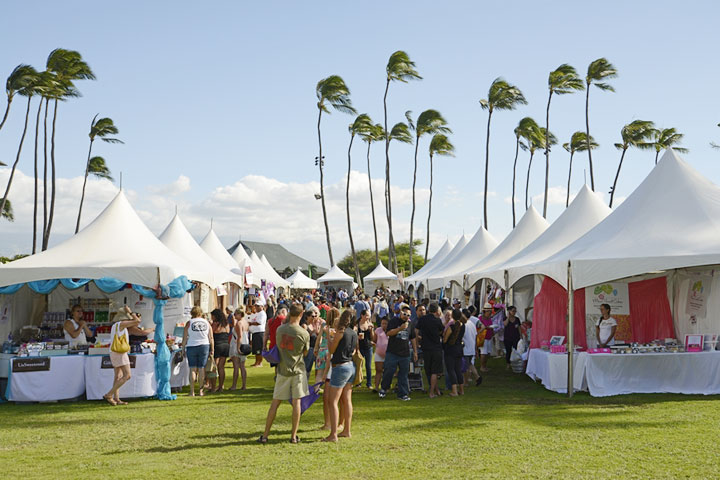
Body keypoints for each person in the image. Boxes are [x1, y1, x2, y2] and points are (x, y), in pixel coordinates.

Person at [259, 303, 310, 444]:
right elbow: (305, 352)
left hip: (282, 370)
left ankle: (265, 435)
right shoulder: (303, 333)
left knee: (275, 403)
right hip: (297, 370)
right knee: (296, 402)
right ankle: (293, 436)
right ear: (301, 314)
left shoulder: (280, 330)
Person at [322, 308, 358, 442]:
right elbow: (354, 350)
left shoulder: (340, 332)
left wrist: (328, 335)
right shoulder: (353, 333)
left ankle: (333, 434)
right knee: (347, 400)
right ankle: (346, 431)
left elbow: (331, 350)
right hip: (350, 366)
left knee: (333, 401)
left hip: (340, 367)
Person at [103, 305, 141, 405]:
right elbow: (137, 321)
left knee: (118, 376)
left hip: (114, 351)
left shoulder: (115, 325)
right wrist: (131, 312)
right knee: (127, 375)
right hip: (120, 352)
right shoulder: (122, 324)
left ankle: (117, 399)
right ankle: (109, 395)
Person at [379, 305, 417, 401]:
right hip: (393, 352)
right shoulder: (394, 321)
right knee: (389, 371)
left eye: (408, 315)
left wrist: (415, 351)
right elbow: (388, 333)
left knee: (403, 374)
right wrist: (400, 329)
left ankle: (403, 393)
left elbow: (412, 338)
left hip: (405, 353)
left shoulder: (410, 324)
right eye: (404, 314)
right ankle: (384, 388)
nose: (406, 316)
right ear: (400, 313)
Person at [182, 306, 214, 397]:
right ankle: (200, 391)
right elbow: (211, 337)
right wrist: (212, 349)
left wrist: (183, 349)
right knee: (201, 369)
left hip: (192, 345)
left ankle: (192, 391)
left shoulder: (189, 323)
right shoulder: (207, 323)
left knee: (192, 369)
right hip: (204, 345)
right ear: (201, 313)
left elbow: (185, 338)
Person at [317, 307, 340, 429]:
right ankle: (340, 424)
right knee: (341, 398)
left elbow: (331, 350)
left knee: (329, 397)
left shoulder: (331, 330)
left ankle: (329, 424)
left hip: (332, 361)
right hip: (340, 363)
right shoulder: (344, 331)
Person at [415, 302, 444, 398]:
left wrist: (417, 341)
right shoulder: (437, 320)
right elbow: (441, 331)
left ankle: (436, 391)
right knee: (434, 371)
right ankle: (432, 392)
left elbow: (416, 330)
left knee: (429, 370)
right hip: (436, 347)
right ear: (436, 311)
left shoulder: (423, 319)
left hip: (426, 347)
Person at [443, 309, 466, 397]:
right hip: (459, 349)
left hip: (450, 349)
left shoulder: (451, 327)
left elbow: (445, 339)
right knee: (458, 370)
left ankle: (454, 391)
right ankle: (461, 390)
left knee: (451, 369)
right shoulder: (463, 326)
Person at [209, 308, 230, 392]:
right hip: (225, 345)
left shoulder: (215, 324)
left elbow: (211, 333)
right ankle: (221, 386)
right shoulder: (226, 324)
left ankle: (213, 387)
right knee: (221, 367)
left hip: (217, 345)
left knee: (214, 367)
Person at [229, 307, 249, 391]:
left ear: (240, 314)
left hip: (237, 344)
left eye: (236, 314)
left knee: (236, 366)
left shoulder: (239, 323)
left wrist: (237, 348)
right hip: (245, 343)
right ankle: (244, 385)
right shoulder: (246, 322)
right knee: (242, 366)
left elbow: (239, 336)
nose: (234, 316)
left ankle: (234, 385)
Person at [461, 308, 481, 386]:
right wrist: (475, 348)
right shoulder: (472, 324)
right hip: (471, 348)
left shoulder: (464, 325)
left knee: (465, 367)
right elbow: (475, 336)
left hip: (466, 348)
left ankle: (466, 382)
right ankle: (477, 376)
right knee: (470, 364)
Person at [264, 306, 287, 372]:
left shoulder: (270, 321)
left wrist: (264, 345)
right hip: (283, 345)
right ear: (283, 311)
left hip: (273, 345)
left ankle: (277, 378)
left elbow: (266, 335)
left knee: (276, 365)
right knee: (283, 365)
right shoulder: (284, 319)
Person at [356, 308, 374, 388]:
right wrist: (357, 337)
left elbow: (372, 338)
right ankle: (358, 382)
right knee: (359, 366)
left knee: (368, 366)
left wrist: (371, 330)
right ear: (362, 316)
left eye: (368, 315)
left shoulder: (369, 324)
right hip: (360, 347)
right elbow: (354, 336)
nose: (367, 317)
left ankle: (369, 383)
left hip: (368, 347)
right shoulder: (357, 324)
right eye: (366, 315)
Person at [373, 317, 388, 392]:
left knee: (387, 371)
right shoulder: (378, 330)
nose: (384, 325)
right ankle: (376, 387)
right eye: (382, 323)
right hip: (379, 353)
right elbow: (374, 340)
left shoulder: (391, 331)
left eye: (385, 323)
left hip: (388, 354)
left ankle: (386, 387)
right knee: (378, 370)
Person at [478, 303, 494, 372]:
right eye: (488, 312)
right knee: (483, 352)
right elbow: (479, 328)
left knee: (487, 353)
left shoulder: (490, 319)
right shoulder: (480, 319)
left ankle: (485, 366)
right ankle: (482, 366)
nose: (490, 313)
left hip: (489, 336)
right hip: (483, 337)